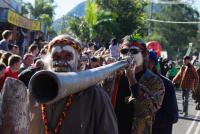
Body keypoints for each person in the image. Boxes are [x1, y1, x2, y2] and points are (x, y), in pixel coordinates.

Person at [29, 34, 118, 134]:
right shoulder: (35, 93)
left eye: (68, 56)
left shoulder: (96, 96)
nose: (61, 62)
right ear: (48, 62)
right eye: (56, 57)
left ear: (79, 62)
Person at [112, 34, 165, 134]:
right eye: (124, 51)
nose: (128, 55)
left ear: (144, 54)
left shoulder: (154, 81)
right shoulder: (112, 77)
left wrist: (131, 78)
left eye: (134, 51)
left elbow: (148, 110)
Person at [148, 51, 178, 134]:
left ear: (153, 63)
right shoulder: (133, 81)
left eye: (147, 61)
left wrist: (148, 120)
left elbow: (173, 116)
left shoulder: (166, 84)